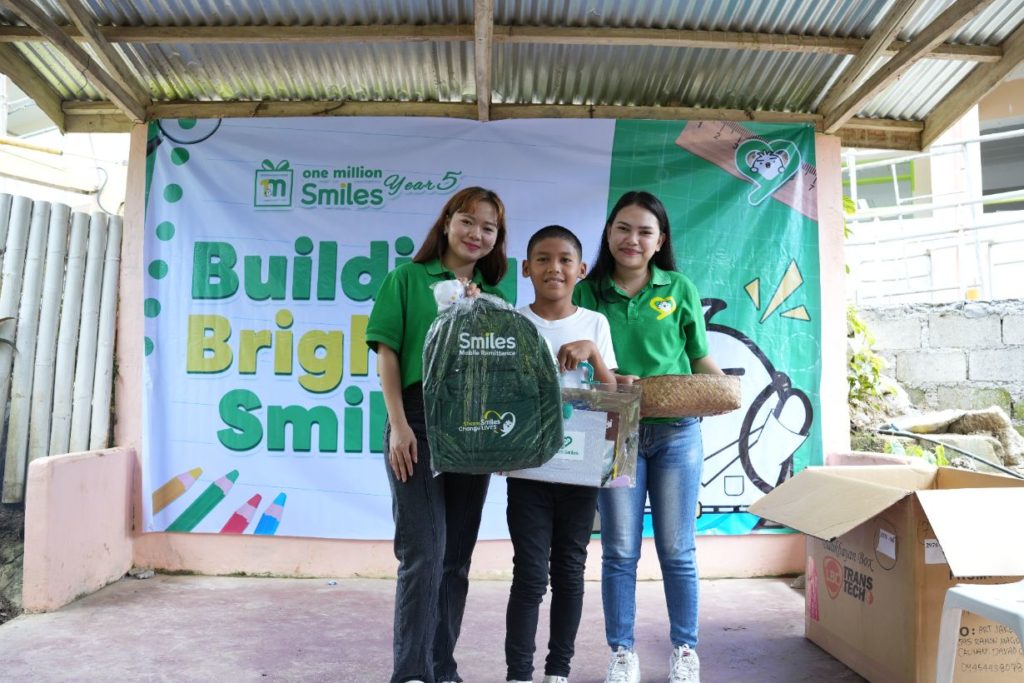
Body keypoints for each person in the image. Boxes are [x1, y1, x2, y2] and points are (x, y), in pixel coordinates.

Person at [574, 191, 723, 683]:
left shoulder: (677, 287)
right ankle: (622, 654)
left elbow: (699, 357)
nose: (631, 239)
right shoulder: (586, 292)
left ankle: (685, 651)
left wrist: (722, 391)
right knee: (619, 549)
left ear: (660, 241)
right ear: (609, 233)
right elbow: (571, 360)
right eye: (623, 228)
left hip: (678, 434)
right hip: (615, 431)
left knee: (678, 549)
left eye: (644, 231)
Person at [366, 186, 509, 683]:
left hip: (473, 427)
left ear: (497, 240)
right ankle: (410, 674)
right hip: (417, 421)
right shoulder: (407, 279)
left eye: (488, 228)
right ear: (447, 222)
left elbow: (500, 373)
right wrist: (399, 426)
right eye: (468, 221)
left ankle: (441, 668)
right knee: (423, 555)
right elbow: (386, 352)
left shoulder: (496, 300)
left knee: (456, 561)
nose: (476, 234)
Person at [505, 225, 618, 683]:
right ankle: (518, 674)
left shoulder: (595, 324)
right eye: (544, 259)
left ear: (581, 270)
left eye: (566, 259)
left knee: (570, 570)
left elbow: (614, 399)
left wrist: (593, 354)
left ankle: (558, 672)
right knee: (530, 574)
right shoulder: (511, 323)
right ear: (526, 268)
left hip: (579, 472)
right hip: (528, 471)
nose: (555, 268)